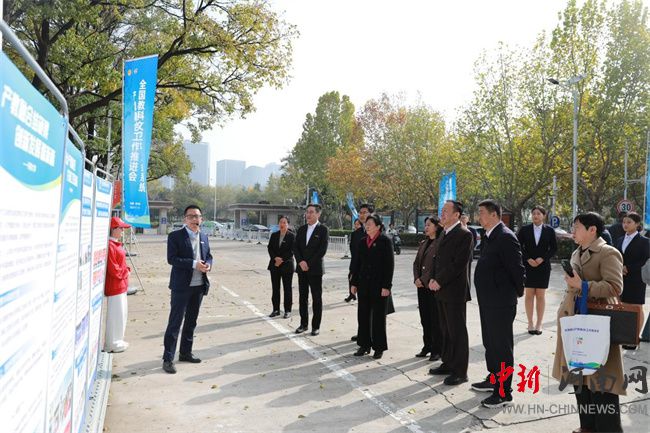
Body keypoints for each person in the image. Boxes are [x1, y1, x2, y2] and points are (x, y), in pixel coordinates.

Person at [553, 212, 625, 433]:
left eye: (576, 227)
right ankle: (587, 426)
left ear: (592, 229)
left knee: (601, 381)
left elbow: (615, 287)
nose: (572, 231)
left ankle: (608, 429)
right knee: (580, 379)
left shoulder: (608, 252)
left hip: (598, 323)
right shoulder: (577, 252)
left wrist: (583, 286)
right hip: (576, 321)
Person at [471, 200, 525, 408]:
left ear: (494, 215)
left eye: (482, 213)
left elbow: (517, 269)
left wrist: (515, 293)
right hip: (488, 299)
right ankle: (493, 378)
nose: (479, 217)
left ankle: (504, 392)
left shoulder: (505, 237)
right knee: (490, 343)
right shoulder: (489, 235)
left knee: (502, 347)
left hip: (501, 301)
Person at [162, 205, 213, 374]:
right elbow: (172, 259)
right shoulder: (175, 236)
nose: (194, 219)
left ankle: (185, 352)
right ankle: (168, 358)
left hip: (198, 286)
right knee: (175, 323)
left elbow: (208, 256)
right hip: (181, 287)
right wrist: (193, 264)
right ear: (185, 219)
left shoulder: (204, 237)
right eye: (191, 216)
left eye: (197, 216)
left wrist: (208, 265)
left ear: (201, 219)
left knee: (191, 321)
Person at [427, 200, 473, 386]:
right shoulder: (444, 233)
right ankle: (448, 363)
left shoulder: (464, 234)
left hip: (454, 291)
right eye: (442, 210)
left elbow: (458, 264)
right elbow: (436, 260)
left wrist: (439, 280)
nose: (442, 213)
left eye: (446, 211)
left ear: (456, 215)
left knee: (457, 332)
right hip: (440, 289)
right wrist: (432, 278)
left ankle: (460, 371)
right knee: (445, 330)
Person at [350, 214, 394, 359]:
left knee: (378, 318)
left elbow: (389, 265)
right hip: (364, 284)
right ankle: (364, 345)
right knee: (363, 316)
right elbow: (357, 264)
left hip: (379, 285)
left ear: (378, 226)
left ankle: (379, 347)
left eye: (370, 223)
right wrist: (354, 283)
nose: (367, 226)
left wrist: (387, 286)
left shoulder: (385, 241)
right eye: (366, 223)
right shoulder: (363, 242)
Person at [516, 205, 557, 335]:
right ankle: (530, 323)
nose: (535, 216)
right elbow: (518, 246)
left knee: (540, 295)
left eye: (538, 213)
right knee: (529, 295)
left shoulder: (549, 230)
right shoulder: (524, 230)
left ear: (543, 216)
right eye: (533, 213)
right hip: (528, 266)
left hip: (543, 267)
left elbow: (554, 248)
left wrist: (543, 258)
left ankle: (539, 323)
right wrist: (527, 259)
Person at [614, 211, 649, 350]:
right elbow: (615, 257)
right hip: (621, 278)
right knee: (623, 307)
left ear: (637, 224)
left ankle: (635, 338)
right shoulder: (619, 240)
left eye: (629, 222)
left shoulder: (644, 241)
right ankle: (626, 336)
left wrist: (629, 268)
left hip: (637, 279)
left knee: (636, 307)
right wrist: (620, 267)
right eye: (624, 222)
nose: (625, 224)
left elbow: (645, 260)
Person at [293, 203, 329, 336]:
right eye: (307, 212)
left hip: (315, 269)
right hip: (302, 269)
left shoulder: (323, 230)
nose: (308, 214)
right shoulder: (301, 229)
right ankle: (303, 324)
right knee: (303, 297)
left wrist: (308, 263)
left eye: (311, 212)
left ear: (318, 214)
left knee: (316, 298)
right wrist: (301, 261)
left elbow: (322, 250)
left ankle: (316, 326)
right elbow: (295, 247)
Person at [412, 216, 443, 361]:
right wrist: (416, 278)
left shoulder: (440, 243)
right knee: (424, 318)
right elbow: (416, 263)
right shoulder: (423, 243)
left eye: (429, 225)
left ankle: (437, 349)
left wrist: (424, 279)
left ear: (436, 226)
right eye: (425, 225)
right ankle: (427, 346)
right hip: (421, 287)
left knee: (435, 319)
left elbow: (436, 266)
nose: (426, 227)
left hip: (432, 286)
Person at [104, 216, 131, 353]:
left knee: (121, 314)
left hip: (121, 285)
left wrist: (126, 271)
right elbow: (113, 269)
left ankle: (117, 340)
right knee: (115, 315)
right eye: (120, 228)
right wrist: (125, 272)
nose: (122, 231)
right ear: (113, 229)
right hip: (115, 286)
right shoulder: (110, 245)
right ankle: (112, 343)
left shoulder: (115, 244)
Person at [267, 216, 295, 319]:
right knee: (275, 288)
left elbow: (292, 250)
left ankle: (287, 310)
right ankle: (276, 309)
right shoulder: (274, 235)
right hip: (275, 265)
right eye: (280, 222)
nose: (282, 224)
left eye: (284, 222)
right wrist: (275, 258)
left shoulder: (292, 236)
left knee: (287, 288)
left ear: (288, 224)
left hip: (287, 265)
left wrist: (281, 259)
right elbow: (270, 248)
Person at [347, 204, 373, 303]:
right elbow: (354, 256)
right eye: (360, 213)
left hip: (374, 277)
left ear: (371, 214)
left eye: (364, 212)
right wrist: (352, 272)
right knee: (363, 307)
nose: (362, 215)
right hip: (360, 275)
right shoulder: (355, 234)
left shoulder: (379, 234)